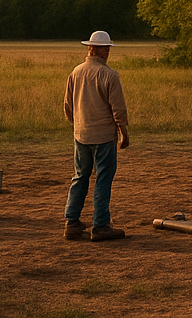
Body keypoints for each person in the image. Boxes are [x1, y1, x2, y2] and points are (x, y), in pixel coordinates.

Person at [62, 30, 130, 241]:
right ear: (100, 50)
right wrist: (123, 132)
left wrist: (79, 125)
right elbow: (117, 108)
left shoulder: (76, 72)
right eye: (107, 48)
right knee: (103, 179)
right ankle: (100, 225)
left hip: (81, 134)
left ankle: (71, 222)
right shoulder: (110, 75)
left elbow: (68, 107)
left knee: (80, 177)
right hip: (103, 136)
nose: (108, 52)